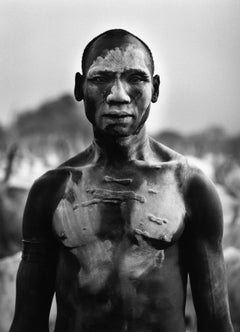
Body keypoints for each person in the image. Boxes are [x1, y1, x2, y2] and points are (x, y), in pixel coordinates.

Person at [10, 29, 234, 332]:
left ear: (155, 89)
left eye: (136, 79)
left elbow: (217, 322)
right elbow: (27, 321)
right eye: (100, 79)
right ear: (80, 87)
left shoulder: (189, 186)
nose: (118, 95)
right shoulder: (52, 190)